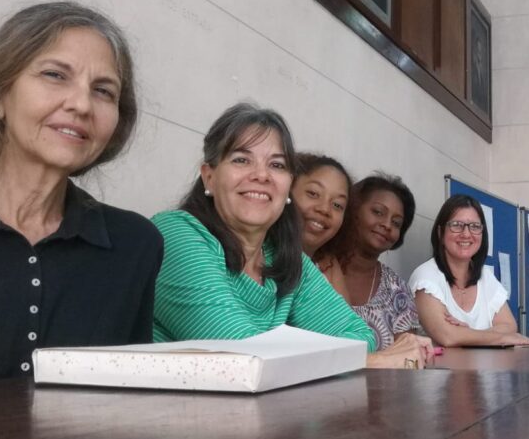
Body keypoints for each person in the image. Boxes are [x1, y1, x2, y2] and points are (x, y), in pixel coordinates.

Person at [152, 103, 430, 369]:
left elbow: (359, 337)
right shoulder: (175, 235)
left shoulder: (287, 259)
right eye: (241, 159)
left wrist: (347, 356)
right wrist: (369, 362)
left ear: (287, 187)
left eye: (276, 165)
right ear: (209, 177)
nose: (261, 175)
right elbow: (238, 352)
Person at [0, 1, 162, 380]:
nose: (81, 104)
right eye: (55, 75)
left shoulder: (133, 245)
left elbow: (127, 401)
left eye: (103, 91)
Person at [409, 195, 529, 346]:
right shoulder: (426, 277)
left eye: (475, 227)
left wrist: (468, 334)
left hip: (484, 369)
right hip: (441, 369)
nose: (466, 234)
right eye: (457, 225)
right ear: (440, 233)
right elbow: (448, 337)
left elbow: (510, 326)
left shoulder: (485, 276)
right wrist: (496, 337)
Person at [330, 173, 422, 350]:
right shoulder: (317, 267)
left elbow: (408, 357)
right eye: (378, 212)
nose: (387, 225)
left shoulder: (398, 291)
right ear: (353, 210)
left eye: (396, 223)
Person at [291, 152, 351, 298]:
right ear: (287, 190)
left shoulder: (328, 265)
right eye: (313, 193)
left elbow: (344, 320)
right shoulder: (258, 252)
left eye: (337, 205)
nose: (324, 209)